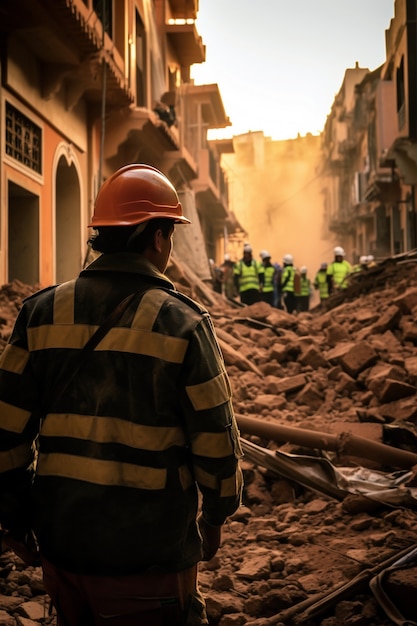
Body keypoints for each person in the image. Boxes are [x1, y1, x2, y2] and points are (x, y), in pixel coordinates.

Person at [0, 164, 243, 626]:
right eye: (169, 235)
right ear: (157, 238)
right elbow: (215, 439)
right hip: (147, 554)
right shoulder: (183, 323)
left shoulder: (40, 313)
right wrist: (216, 515)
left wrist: (14, 519)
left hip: (63, 547)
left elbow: (4, 431)